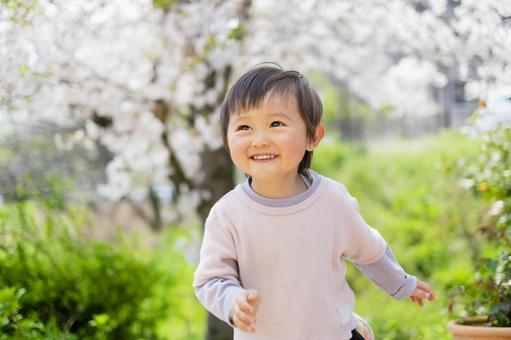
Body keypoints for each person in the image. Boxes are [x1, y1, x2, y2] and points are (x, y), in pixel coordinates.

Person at [193, 64, 435, 339]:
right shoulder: (227, 214)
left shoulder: (332, 201)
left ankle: (356, 328)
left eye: (276, 124)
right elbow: (211, 280)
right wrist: (232, 301)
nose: (260, 140)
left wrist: (403, 284)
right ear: (226, 138)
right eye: (244, 127)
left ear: (312, 136)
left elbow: (369, 250)